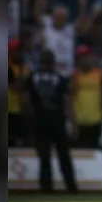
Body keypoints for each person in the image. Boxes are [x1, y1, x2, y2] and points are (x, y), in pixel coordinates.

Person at [24, 50, 78, 193]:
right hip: (57, 118)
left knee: (44, 155)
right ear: (53, 62)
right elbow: (67, 101)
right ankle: (71, 186)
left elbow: (26, 100)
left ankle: (46, 187)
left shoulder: (33, 77)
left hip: (40, 118)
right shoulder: (60, 78)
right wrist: (73, 121)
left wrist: (29, 119)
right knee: (63, 154)